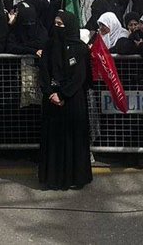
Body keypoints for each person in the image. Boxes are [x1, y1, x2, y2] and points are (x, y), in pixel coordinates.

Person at [38, 10, 92, 190]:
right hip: (52, 101)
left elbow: (80, 76)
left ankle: (74, 177)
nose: (57, 27)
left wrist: (63, 94)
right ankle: (53, 177)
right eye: (55, 24)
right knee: (54, 140)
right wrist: (50, 93)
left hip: (72, 101)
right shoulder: (49, 46)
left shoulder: (80, 48)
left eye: (61, 24)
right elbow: (44, 72)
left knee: (73, 140)